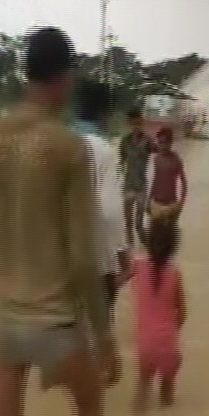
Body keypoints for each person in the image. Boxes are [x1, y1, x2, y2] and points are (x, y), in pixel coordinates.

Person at [0, 27, 118, 416]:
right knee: (91, 407)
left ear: (27, 73)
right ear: (64, 78)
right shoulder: (69, 148)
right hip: (53, 322)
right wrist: (104, 336)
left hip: (0, 319)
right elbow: (83, 257)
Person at [72, 80, 128, 314]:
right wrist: (123, 254)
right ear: (106, 113)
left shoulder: (58, 144)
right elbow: (110, 211)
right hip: (95, 260)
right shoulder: (104, 151)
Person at [124, 217, 187, 413]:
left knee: (142, 390)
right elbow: (183, 313)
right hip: (169, 344)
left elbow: (117, 281)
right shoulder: (175, 273)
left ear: (148, 243)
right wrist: (170, 333)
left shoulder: (137, 267)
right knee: (167, 397)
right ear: (173, 247)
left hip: (145, 346)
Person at [119, 106, 155, 248]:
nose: (136, 127)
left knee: (139, 223)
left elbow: (160, 154)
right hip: (128, 184)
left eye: (138, 123)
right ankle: (131, 249)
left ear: (142, 122)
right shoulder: (124, 141)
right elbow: (121, 163)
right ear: (129, 123)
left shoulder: (148, 141)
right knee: (127, 221)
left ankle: (147, 247)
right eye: (133, 123)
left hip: (141, 186)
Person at [148, 127, 187, 223]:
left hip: (172, 204)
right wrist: (148, 200)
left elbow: (184, 183)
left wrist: (181, 203)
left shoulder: (176, 159)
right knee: (155, 235)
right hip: (156, 203)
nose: (163, 146)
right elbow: (155, 180)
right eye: (160, 143)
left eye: (165, 142)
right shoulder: (157, 159)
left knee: (170, 235)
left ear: (171, 143)